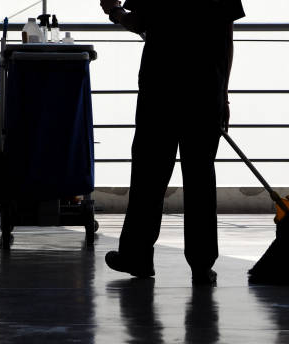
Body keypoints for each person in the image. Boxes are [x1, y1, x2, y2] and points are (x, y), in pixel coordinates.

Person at [100, 0, 245, 284]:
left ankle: (137, 255)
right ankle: (202, 265)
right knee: (200, 178)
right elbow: (226, 39)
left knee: (149, 175)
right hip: (205, 89)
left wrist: (114, 12)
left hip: (161, 87)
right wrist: (223, 94)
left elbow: (139, 22)